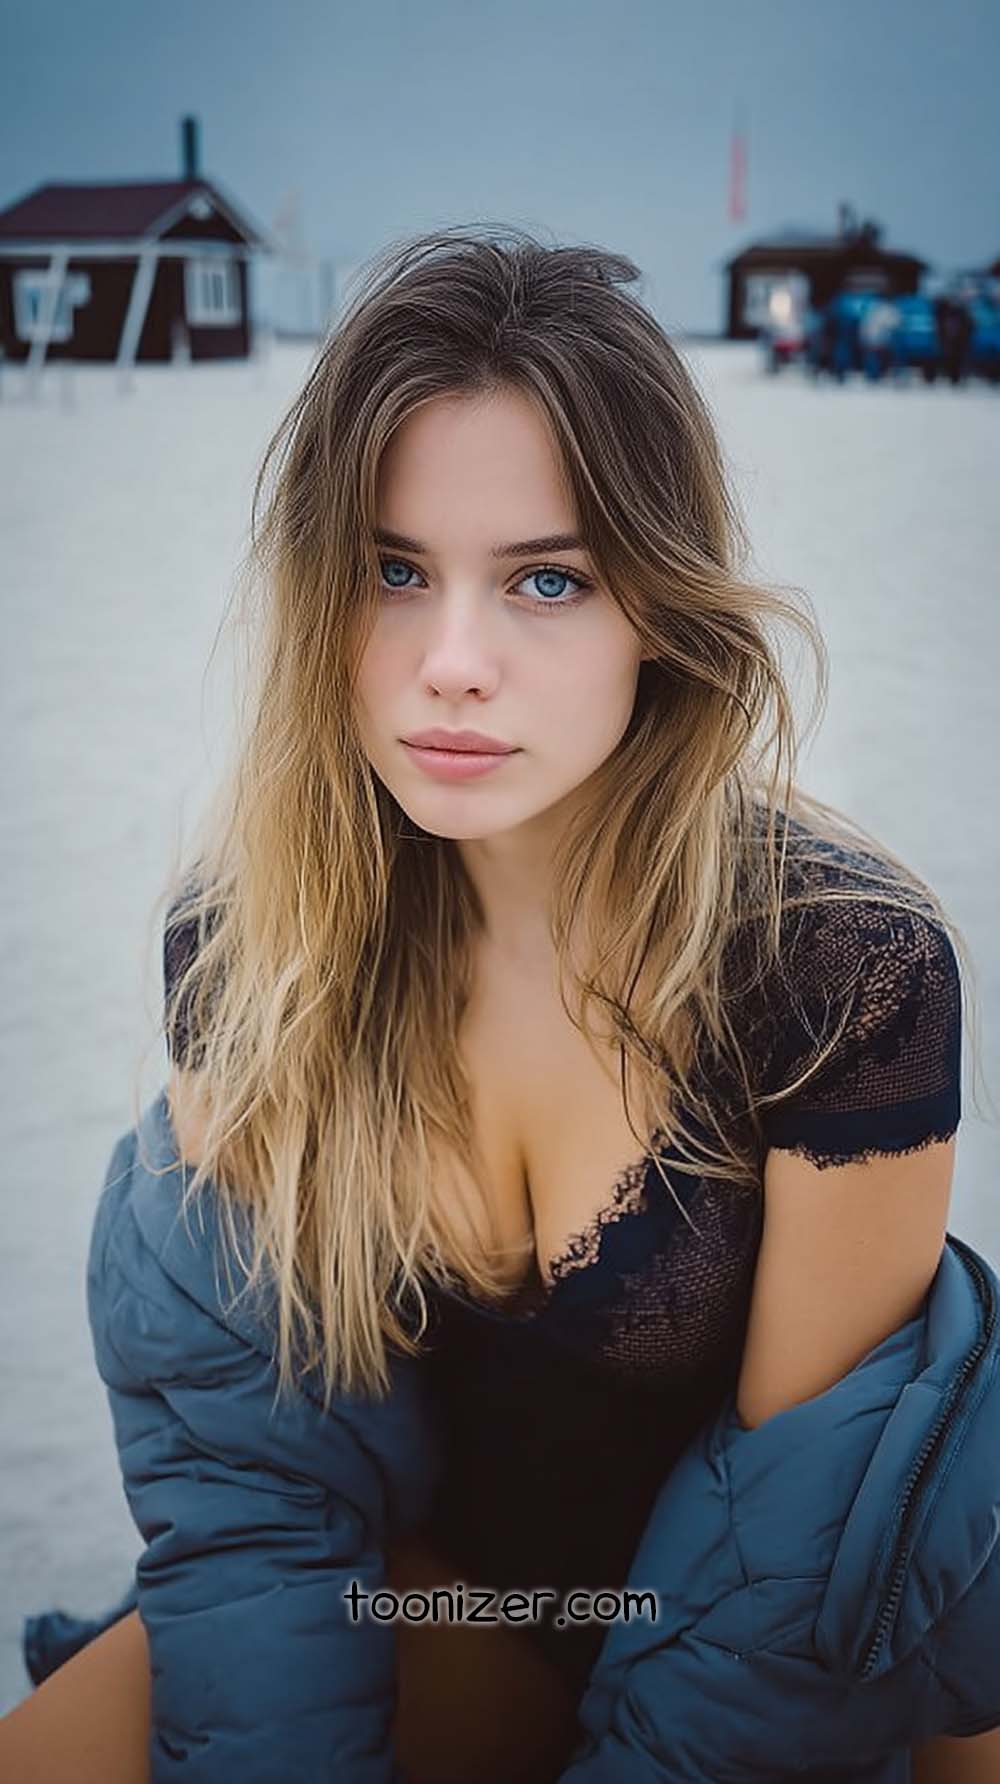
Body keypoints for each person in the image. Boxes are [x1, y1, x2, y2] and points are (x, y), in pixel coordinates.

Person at [2, 224, 998, 1783]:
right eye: (395, 571)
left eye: (548, 579)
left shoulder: (837, 971)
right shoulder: (255, 943)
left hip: (793, 1671)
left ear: (657, 607)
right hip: (432, 1610)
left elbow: (805, 1578)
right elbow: (250, 1484)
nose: (449, 664)